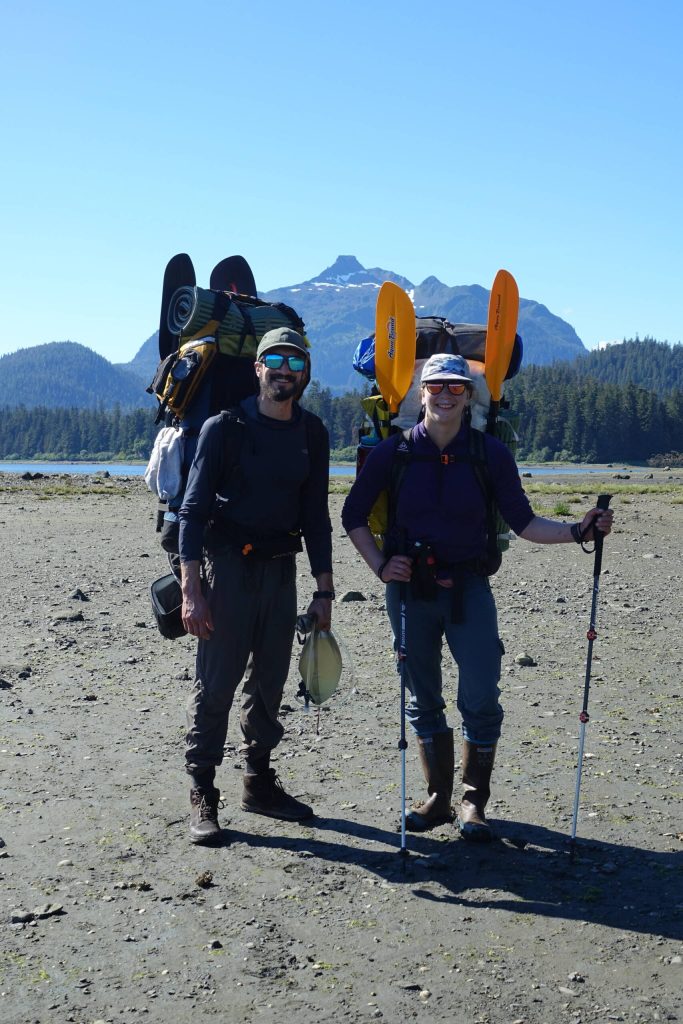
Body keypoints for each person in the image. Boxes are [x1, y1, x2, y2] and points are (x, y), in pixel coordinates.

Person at [341, 352, 613, 842]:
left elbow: (525, 522)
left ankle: (473, 802)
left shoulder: (490, 454)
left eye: (456, 388)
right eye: (436, 387)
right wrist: (381, 566)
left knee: (482, 696)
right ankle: (437, 800)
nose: (445, 396)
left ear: (468, 397)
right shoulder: (393, 453)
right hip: (409, 593)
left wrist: (578, 531)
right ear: (420, 393)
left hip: (471, 589)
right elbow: (353, 516)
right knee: (423, 698)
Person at [179, 327, 334, 844]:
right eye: (274, 358)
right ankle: (203, 791)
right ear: (258, 368)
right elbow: (193, 512)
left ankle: (258, 783)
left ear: (304, 373)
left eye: (294, 360)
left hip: (281, 570)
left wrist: (324, 590)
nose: (283, 369)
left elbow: (316, 516)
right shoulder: (224, 428)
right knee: (216, 684)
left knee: (269, 684)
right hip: (227, 569)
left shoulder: (312, 433)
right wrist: (191, 590)